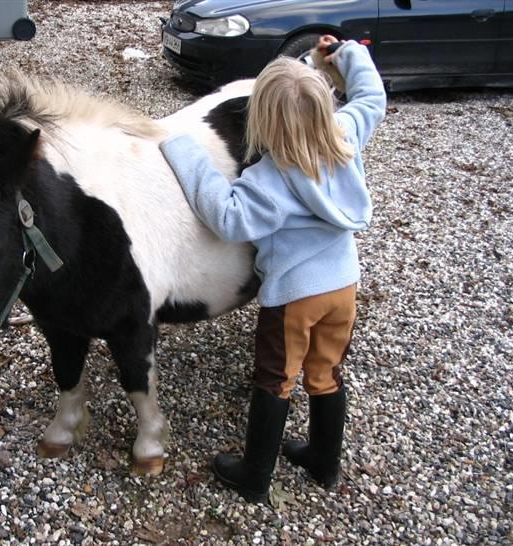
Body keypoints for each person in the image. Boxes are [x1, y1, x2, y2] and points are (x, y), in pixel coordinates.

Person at [159, 35, 387, 503]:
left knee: (276, 380)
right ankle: (324, 460)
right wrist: (346, 54)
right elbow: (371, 97)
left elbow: (225, 216)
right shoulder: (344, 134)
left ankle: (254, 475)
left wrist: (183, 152)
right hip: (343, 288)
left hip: (294, 299)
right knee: (325, 373)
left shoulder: (271, 178)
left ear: (259, 120)